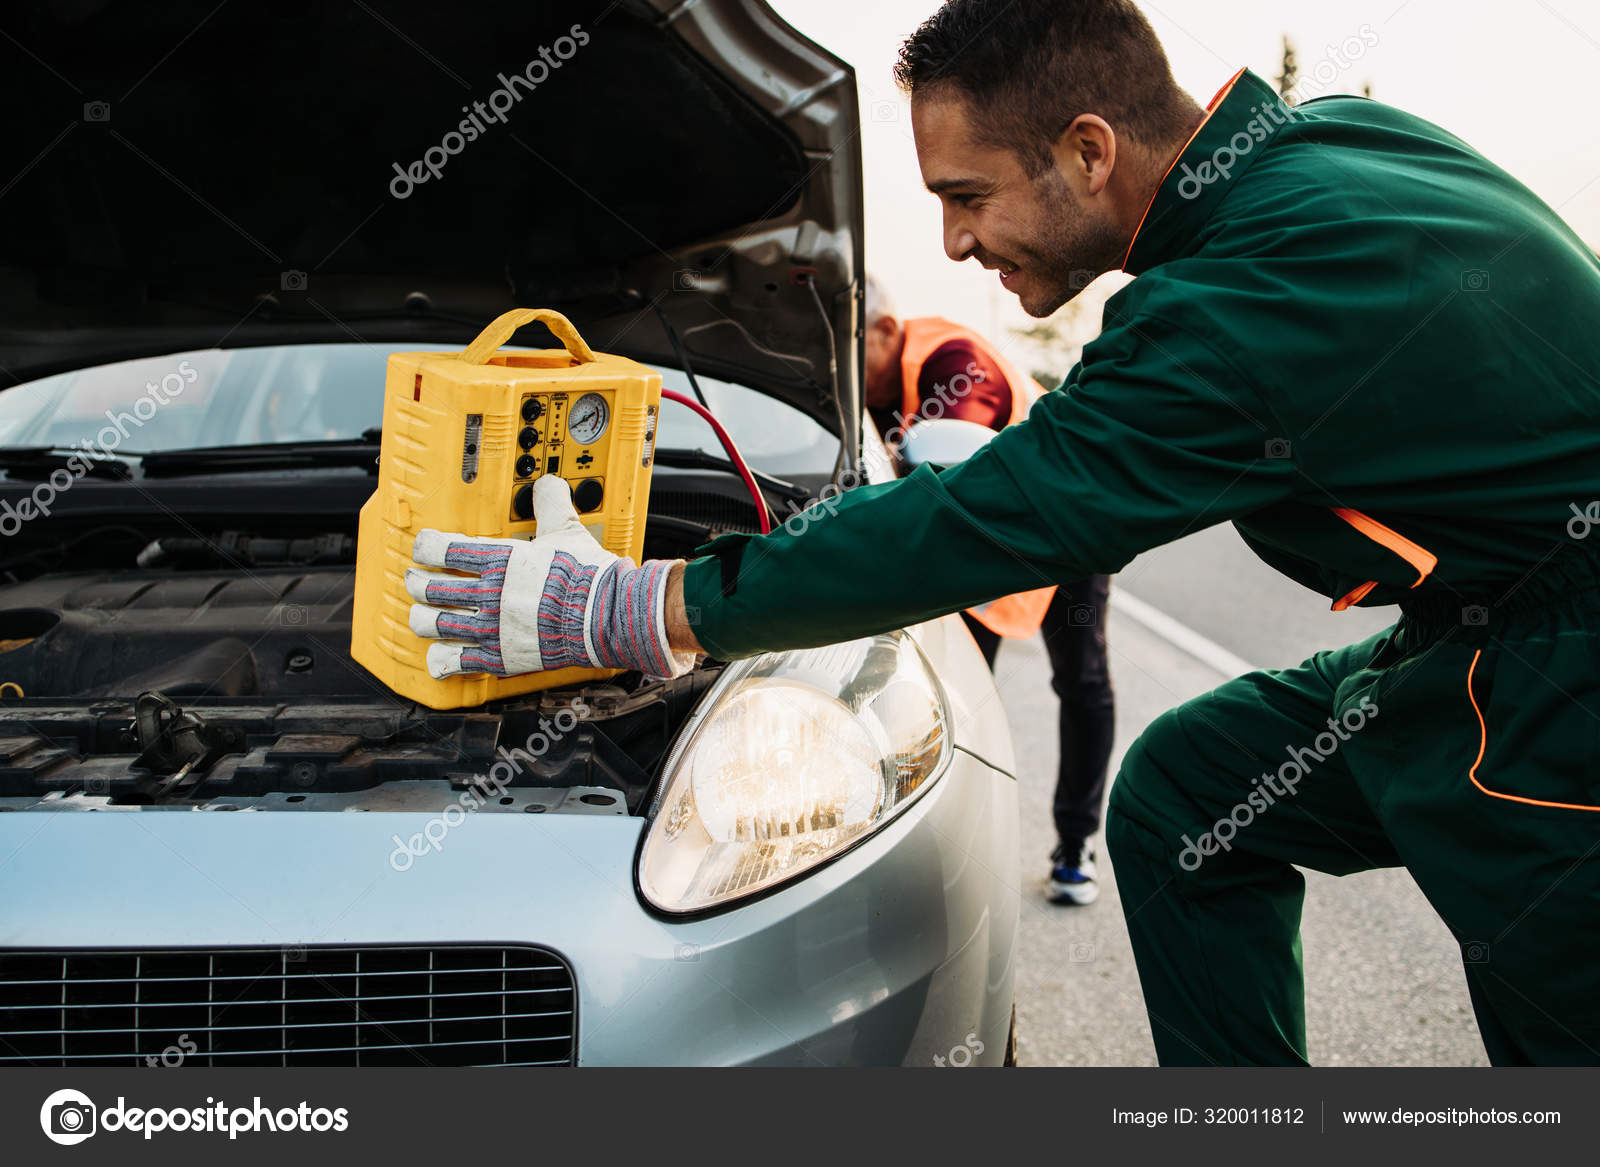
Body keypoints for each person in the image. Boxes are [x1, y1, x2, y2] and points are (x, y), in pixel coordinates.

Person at [403, 0, 1600, 1067]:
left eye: (963, 197)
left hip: (1561, 678)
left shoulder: (1246, 303)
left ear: (1088, 152)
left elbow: (989, 516)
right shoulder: (1328, 148)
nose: (954, 247)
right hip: (1484, 618)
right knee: (1191, 795)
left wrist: (645, 604)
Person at [861, 273, 1115, 905]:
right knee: (958, 694)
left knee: (1081, 679)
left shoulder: (956, 362)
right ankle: (945, 850)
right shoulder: (867, 386)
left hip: (1070, 518)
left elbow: (951, 467)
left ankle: (1076, 843)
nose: (842, 364)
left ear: (887, 331)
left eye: (850, 343)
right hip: (986, 534)